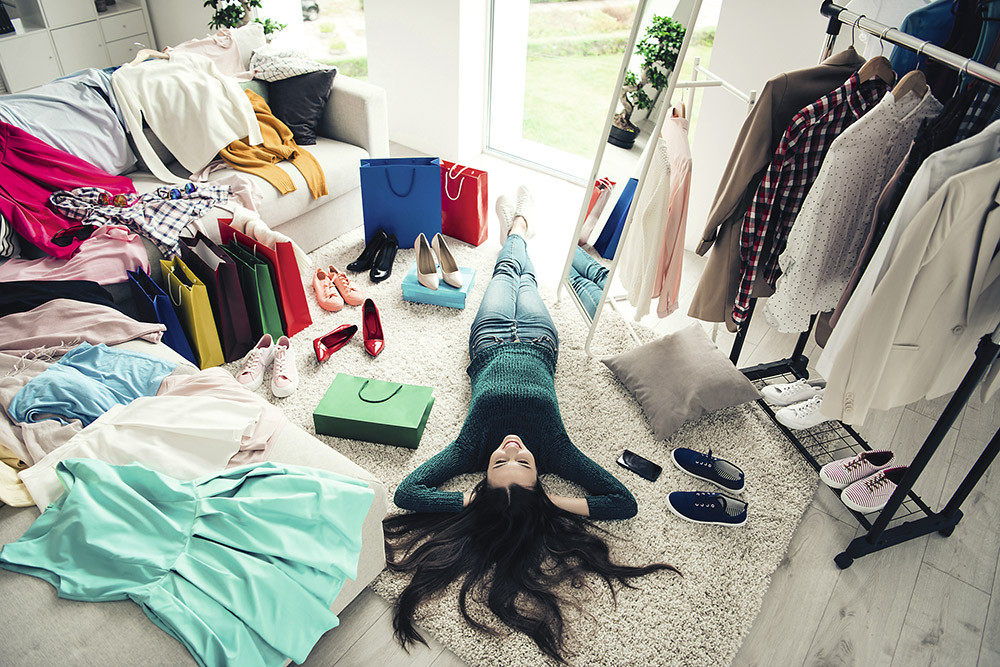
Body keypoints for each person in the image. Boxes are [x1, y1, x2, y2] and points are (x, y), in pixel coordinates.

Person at [385, 186, 679, 663]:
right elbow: (622, 503)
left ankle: (518, 226)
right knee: (529, 278)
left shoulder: (469, 448)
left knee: (506, 271)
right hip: (541, 341)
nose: (511, 448)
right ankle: (520, 226)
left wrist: (470, 501)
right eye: (522, 462)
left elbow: (407, 492)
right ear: (540, 475)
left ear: (484, 475)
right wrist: (548, 504)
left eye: (500, 462)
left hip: (490, 337)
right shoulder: (556, 450)